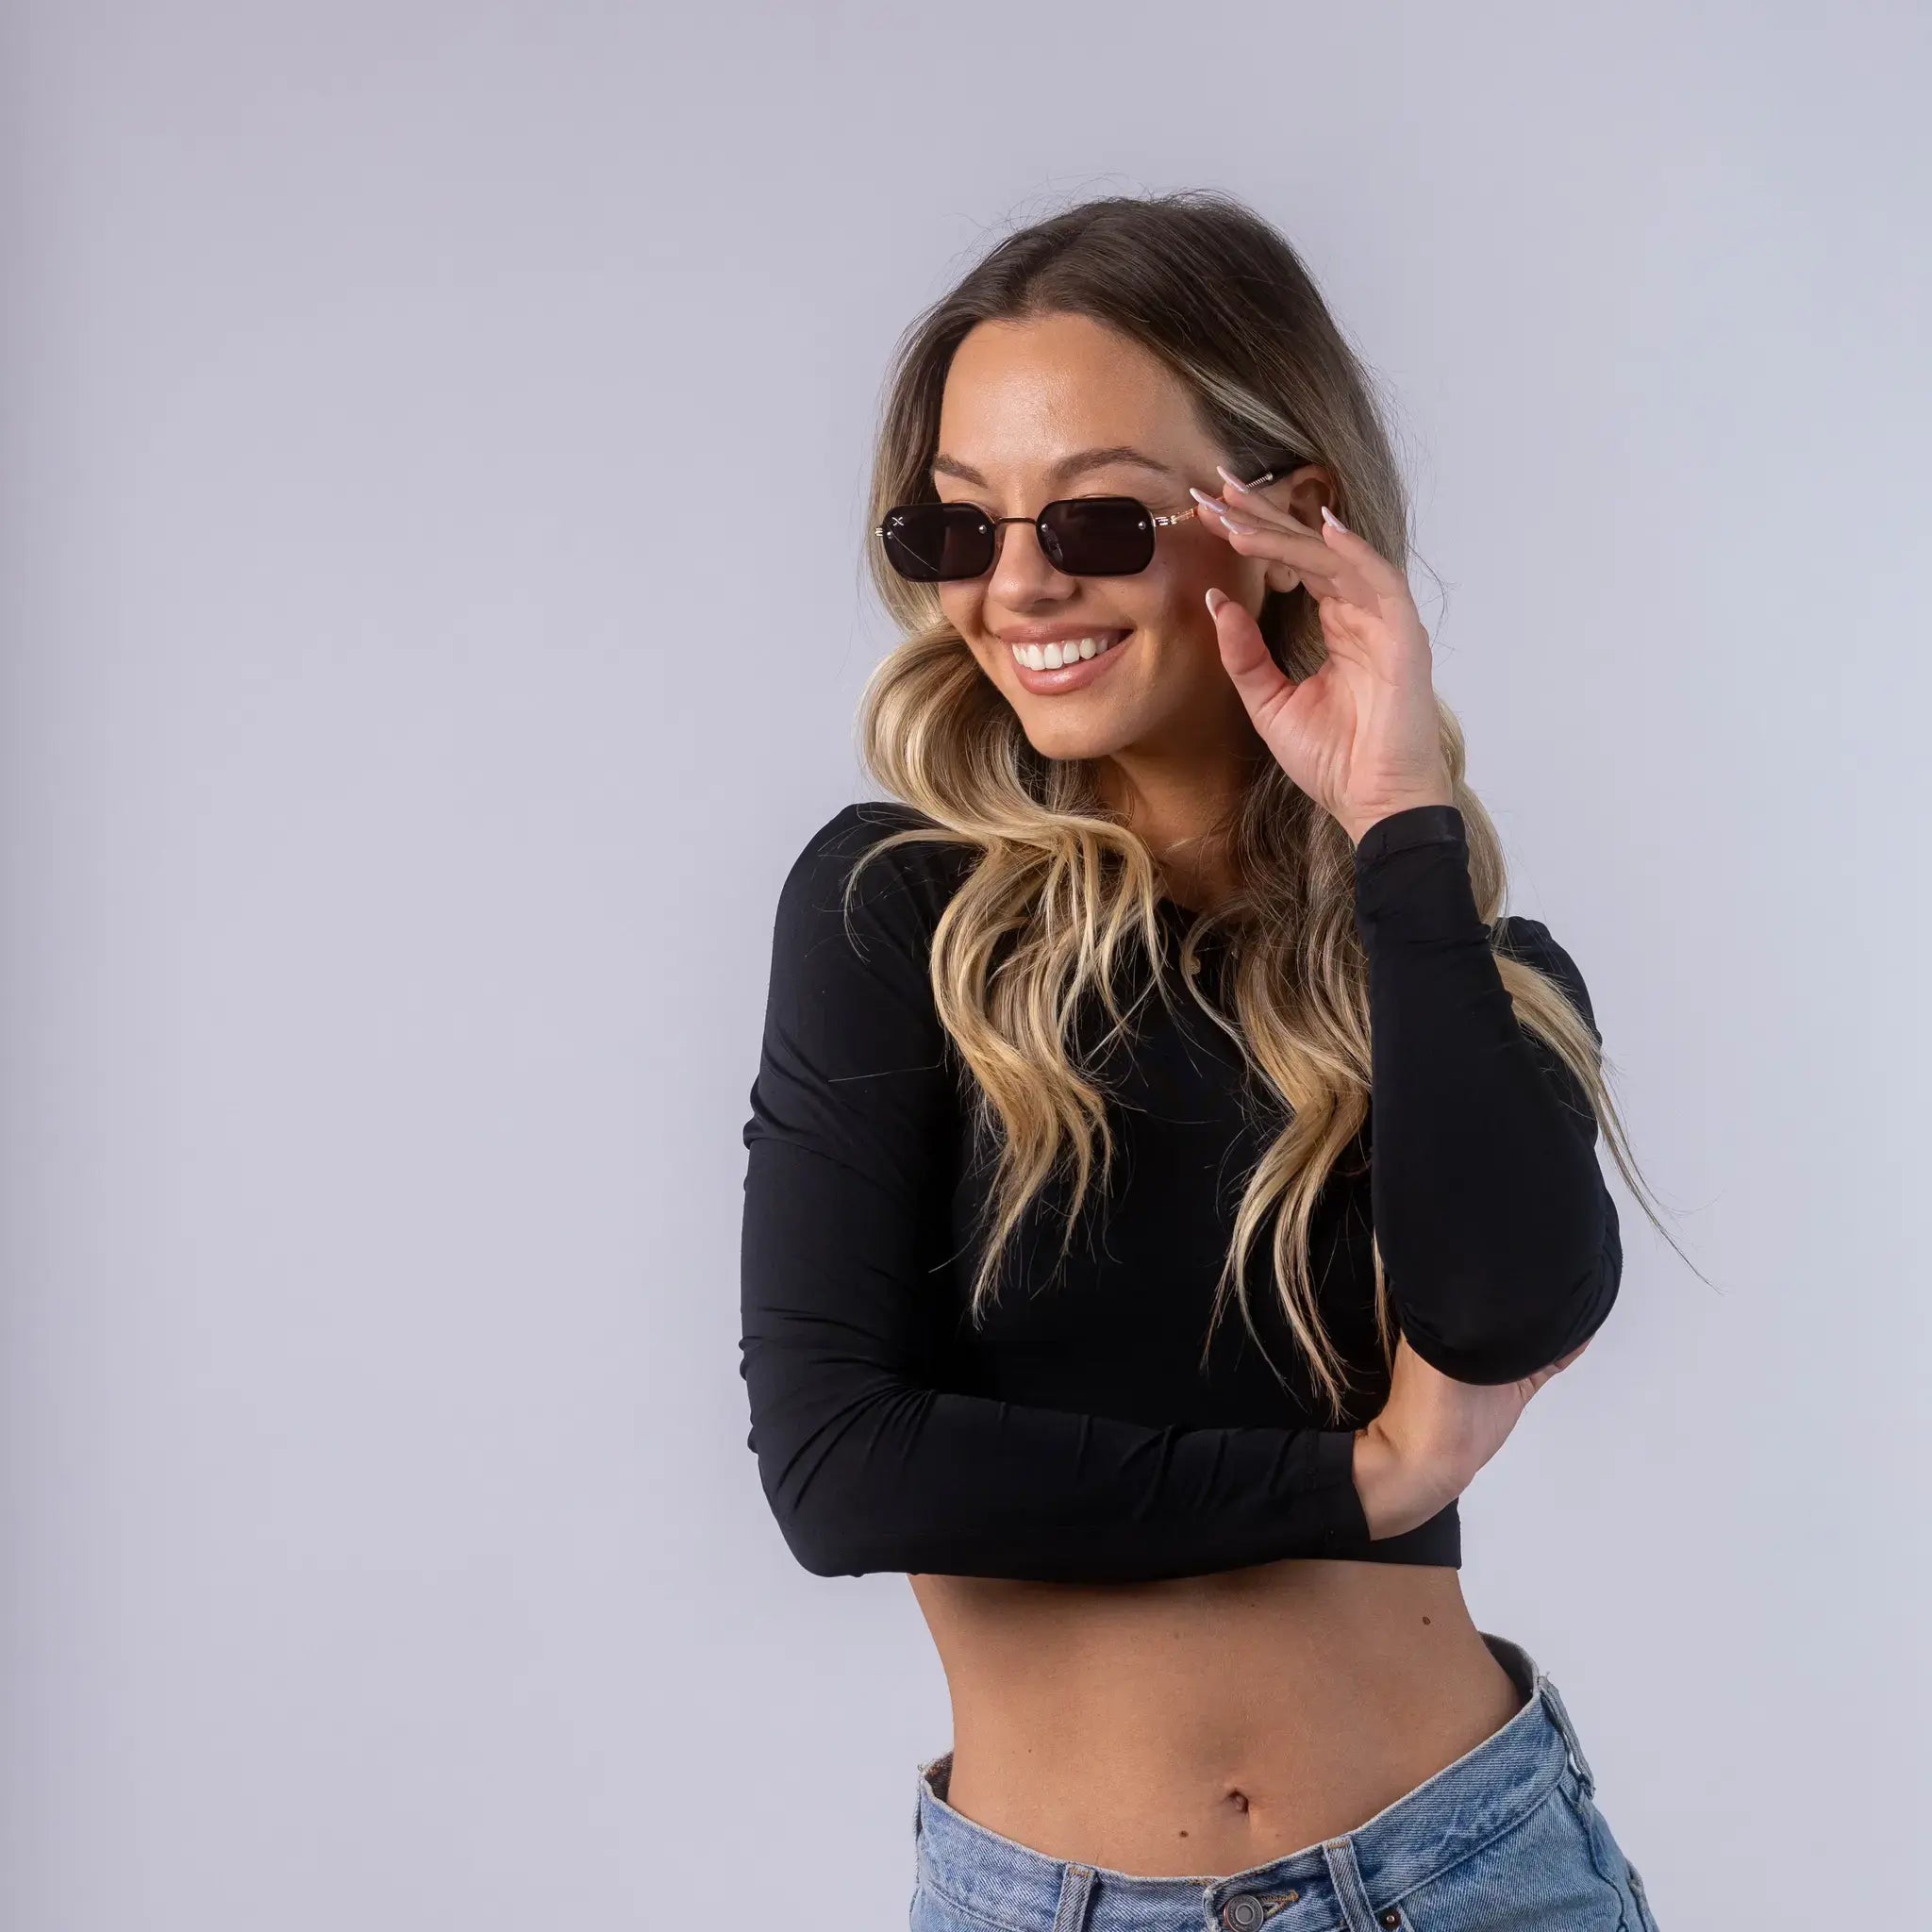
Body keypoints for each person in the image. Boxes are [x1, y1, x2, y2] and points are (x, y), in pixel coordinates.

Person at [739, 191, 1676, 1932]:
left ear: (1286, 519)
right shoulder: (902, 916)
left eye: (1095, 516)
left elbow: (1503, 1314)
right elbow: (840, 1464)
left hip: (1477, 1874)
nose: (1018, 584)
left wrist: (1396, 817)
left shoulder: (1469, 974)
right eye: (961, 527)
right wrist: (1361, 1481)